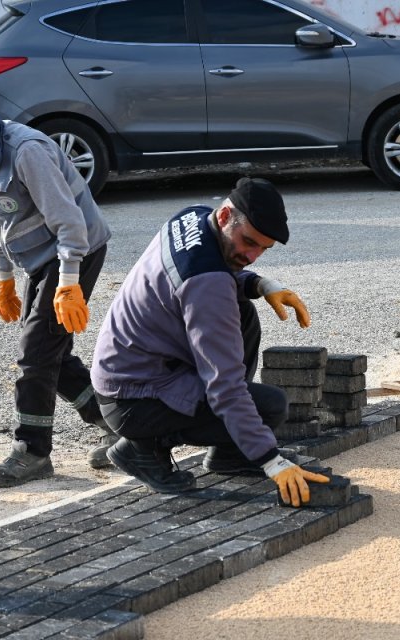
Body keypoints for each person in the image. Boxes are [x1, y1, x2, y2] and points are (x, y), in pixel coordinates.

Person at [90, 177, 329, 506]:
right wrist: (271, 460)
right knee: (269, 408)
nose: (253, 256)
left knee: (243, 313)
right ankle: (141, 449)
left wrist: (259, 284)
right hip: (134, 400)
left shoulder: (192, 217)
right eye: (248, 242)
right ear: (225, 216)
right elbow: (226, 387)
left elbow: (211, 273)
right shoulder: (207, 282)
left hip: (129, 372)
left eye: (263, 248)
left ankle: (229, 454)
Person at [0, 82, 115, 488]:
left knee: (35, 353)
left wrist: (68, 283)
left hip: (73, 251)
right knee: (52, 351)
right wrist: (3, 277)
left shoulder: (26, 151)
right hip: (41, 259)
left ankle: (31, 452)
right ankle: (120, 425)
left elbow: (70, 223)